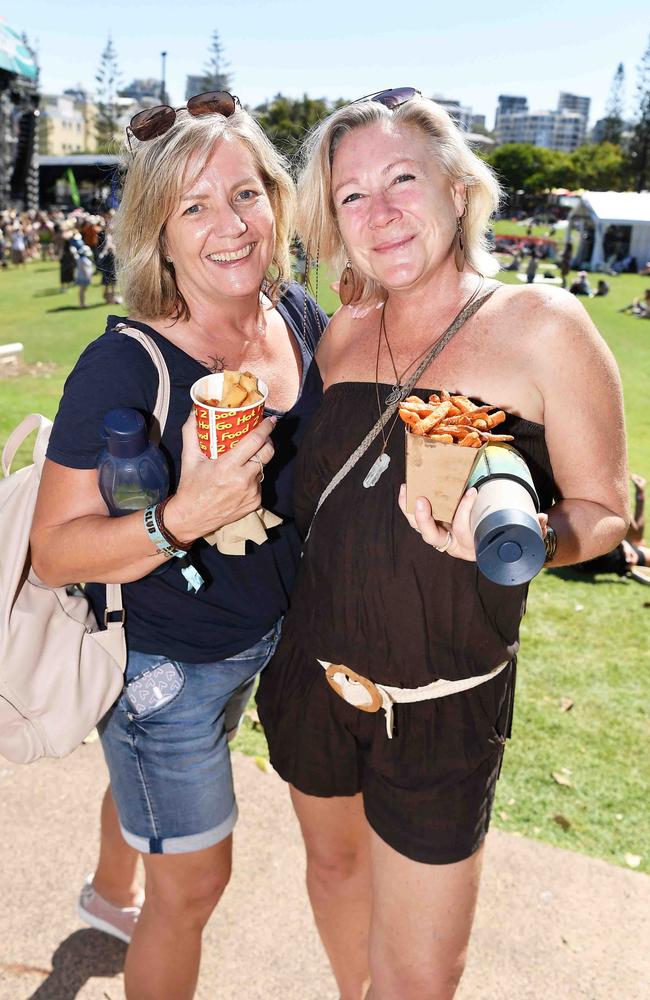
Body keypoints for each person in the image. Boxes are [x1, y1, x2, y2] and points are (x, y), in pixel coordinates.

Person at [256, 89, 629, 1000]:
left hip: (442, 702)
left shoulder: (543, 324)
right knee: (336, 880)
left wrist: (532, 535)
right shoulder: (339, 332)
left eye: (402, 180)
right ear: (332, 221)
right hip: (310, 681)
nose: (378, 212)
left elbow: (607, 511)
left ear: (458, 190)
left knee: (421, 977)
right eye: (350, 195)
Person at [30, 94, 325, 1000]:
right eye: (193, 207)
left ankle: (109, 889)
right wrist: (180, 517)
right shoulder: (122, 366)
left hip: (260, 646)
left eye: (245, 194)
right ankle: (131, 895)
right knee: (193, 888)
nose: (230, 226)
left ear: (278, 200)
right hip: (165, 667)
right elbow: (55, 552)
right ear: (156, 232)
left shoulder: (297, 317)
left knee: (152, 799)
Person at [575, 475, 649, 582]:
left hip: (578, 554)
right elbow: (636, 535)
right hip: (596, 555)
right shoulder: (605, 497)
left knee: (636, 541)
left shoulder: (585, 493)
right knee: (637, 543)